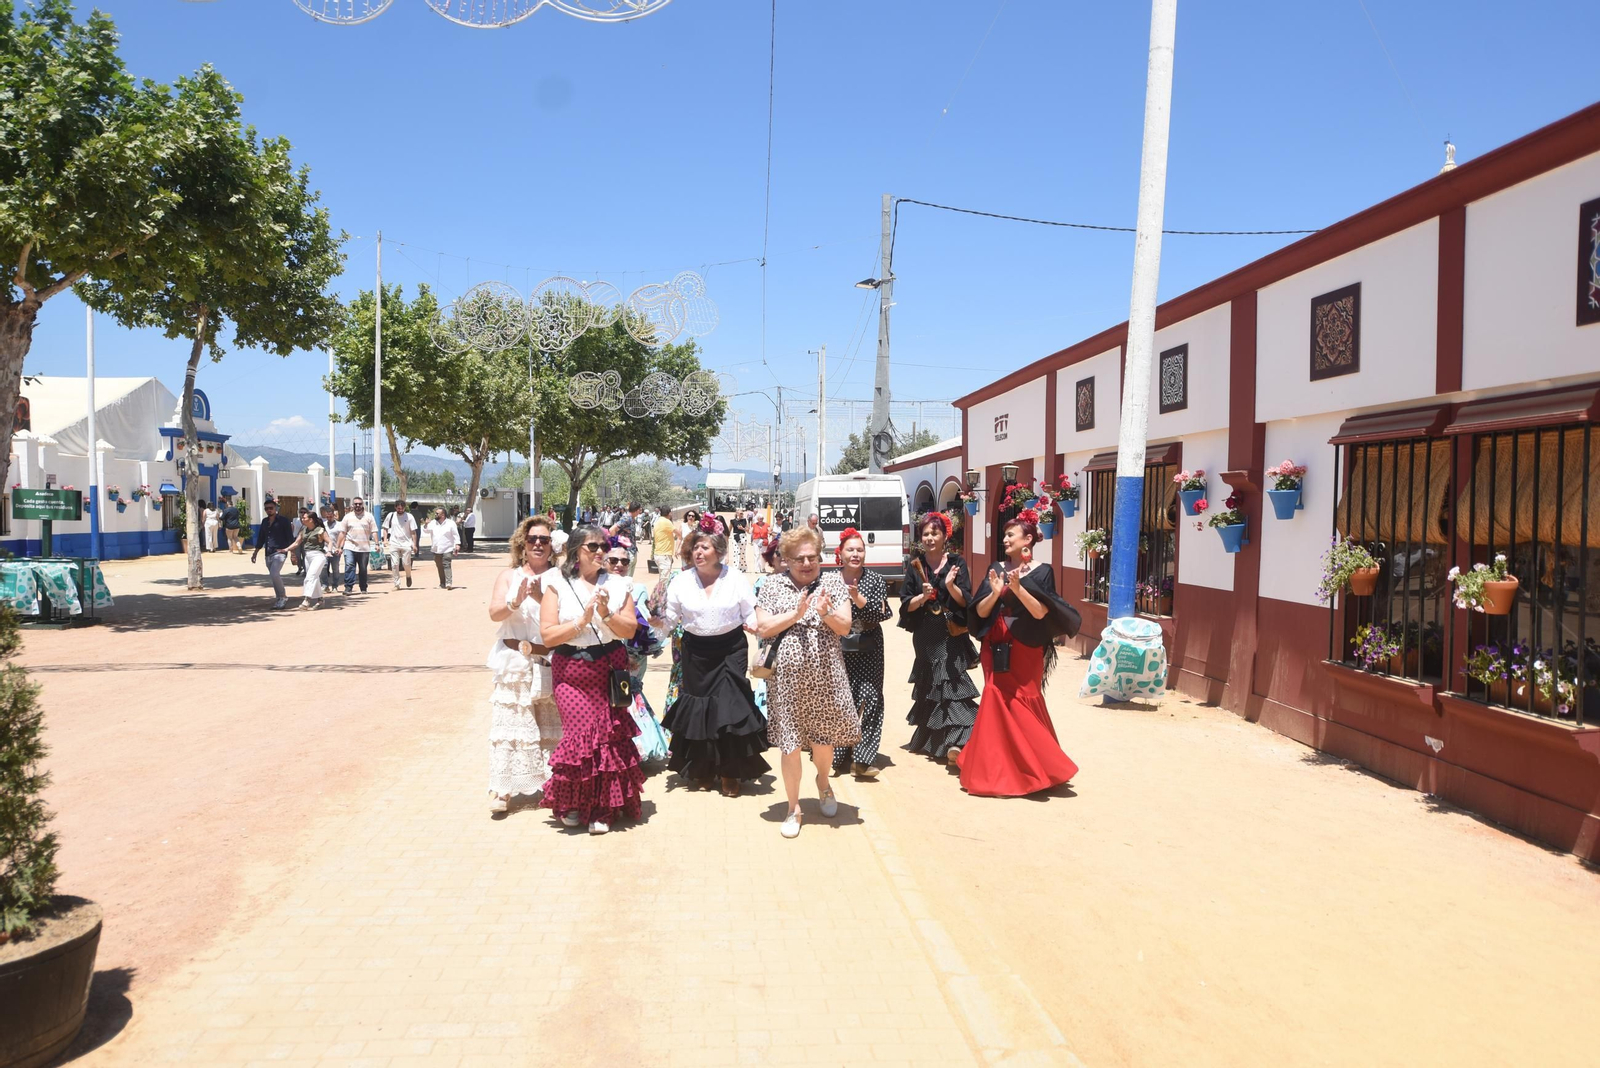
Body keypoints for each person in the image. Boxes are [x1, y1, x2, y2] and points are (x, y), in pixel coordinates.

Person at [961, 513, 1082, 797]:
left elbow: (1041, 612)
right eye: (1004, 535)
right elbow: (979, 612)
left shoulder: (1042, 572)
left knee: (1023, 698)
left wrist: (1017, 589)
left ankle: (1038, 766)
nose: (1004, 540)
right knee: (994, 695)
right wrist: (995, 593)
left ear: (1028, 540)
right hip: (996, 643)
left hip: (1027, 646)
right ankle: (994, 770)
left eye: (1010, 535)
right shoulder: (995, 568)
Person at [538, 524, 645, 835]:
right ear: (576, 552)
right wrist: (580, 622)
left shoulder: (619, 584)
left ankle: (602, 808)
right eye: (593, 547)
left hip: (609, 668)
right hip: (570, 670)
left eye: (603, 546)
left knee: (608, 739)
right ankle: (572, 803)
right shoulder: (557, 584)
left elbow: (628, 631)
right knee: (579, 737)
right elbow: (547, 635)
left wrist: (605, 613)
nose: (601, 552)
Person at [755, 525, 859, 839]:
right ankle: (793, 807)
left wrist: (825, 612)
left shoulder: (832, 583)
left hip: (826, 678)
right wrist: (796, 614)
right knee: (789, 746)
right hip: (786, 683)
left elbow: (844, 627)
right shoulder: (772, 586)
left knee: (823, 743)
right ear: (786, 559)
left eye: (812, 557)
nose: (806, 563)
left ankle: (824, 783)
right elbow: (763, 627)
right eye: (799, 558)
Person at [656, 524, 770, 795]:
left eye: (704, 547)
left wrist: (760, 627)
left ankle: (730, 772)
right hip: (695, 652)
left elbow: (750, 614)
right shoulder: (681, 581)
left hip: (731, 650)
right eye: (695, 547)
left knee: (729, 708)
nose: (698, 551)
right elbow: (670, 619)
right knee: (702, 710)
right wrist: (653, 627)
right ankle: (704, 769)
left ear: (718, 552)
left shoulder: (736, 578)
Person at [485, 516, 563, 816]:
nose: (538, 544)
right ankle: (502, 790)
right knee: (514, 725)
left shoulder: (559, 577)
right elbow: (494, 613)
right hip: (514, 661)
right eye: (533, 539)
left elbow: (564, 616)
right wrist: (515, 602)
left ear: (552, 545)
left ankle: (554, 786)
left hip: (549, 659)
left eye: (544, 539)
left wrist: (540, 596)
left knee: (549, 725)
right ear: (523, 544)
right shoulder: (508, 576)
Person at [900, 512, 980, 765]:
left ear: (945, 536)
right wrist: (921, 598)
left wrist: (950, 585)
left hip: (950, 631)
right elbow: (905, 605)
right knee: (931, 686)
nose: (930, 538)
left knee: (952, 685)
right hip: (925, 634)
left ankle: (958, 740)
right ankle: (936, 742)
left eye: (935, 533)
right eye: (925, 534)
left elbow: (965, 600)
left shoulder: (956, 563)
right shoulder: (915, 566)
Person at [830, 529, 893, 779]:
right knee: (841, 700)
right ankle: (837, 754)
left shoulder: (875, 580)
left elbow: (883, 614)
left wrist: (858, 600)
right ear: (840, 553)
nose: (856, 554)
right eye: (850, 550)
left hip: (869, 646)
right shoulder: (830, 580)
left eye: (860, 549)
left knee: (871, 698)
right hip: (838, 647)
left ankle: (863, 759)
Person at [605, 540, 670, 764]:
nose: (619, 565)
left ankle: (636, 749)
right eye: (613, 560)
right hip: (601, 651)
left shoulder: (637, 587)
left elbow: (644, 618)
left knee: (627, 695)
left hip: (630, 652)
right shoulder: (593, 586)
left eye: (625, 561)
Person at [250, 498, 296, 609]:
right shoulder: (264, 522)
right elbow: (261, 538)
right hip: (268, 553)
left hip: (280, 552)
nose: (269, 510)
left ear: (276, 508)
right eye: (266, 509)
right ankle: (279, 598)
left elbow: (290, 538)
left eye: (271, 508)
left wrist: (292, 553)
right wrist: (255, 553)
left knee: (274, 574)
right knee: (273, 576)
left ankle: (283, 596)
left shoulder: (284, 521)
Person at [288, 509, 330, 610]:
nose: (302, 518)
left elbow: (329, 541)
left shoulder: (320, 530)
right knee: (314, 578)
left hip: (318, 555)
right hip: (308, 556)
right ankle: (320, 600)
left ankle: (307, 600)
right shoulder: (304, 530)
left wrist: (329, 551)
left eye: (304, 517)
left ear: (311, 519)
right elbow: (297, 543)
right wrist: (286, 549)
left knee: (310, 577)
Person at [336, 496, 378, 594]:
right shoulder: (347, 517)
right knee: (349, 566)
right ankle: (348, 587)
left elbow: (374, 531)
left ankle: (363, 588)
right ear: (353, 505)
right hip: (349, 546)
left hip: (364, 548)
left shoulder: (369, 516)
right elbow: (342, 532)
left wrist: (377, 544)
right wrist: (338, 546)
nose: (358, 506)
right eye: (356, 504)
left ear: (362, 504)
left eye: (359, 504)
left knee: (363, 569)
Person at [383, 501, 419, 590]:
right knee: (394, 564)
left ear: (405, 508)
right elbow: (385, 528)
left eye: (402, 508)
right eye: (398, 508)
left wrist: (414, 544)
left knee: (406, 563)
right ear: (395, 508)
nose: (400, 510)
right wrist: (385, 540)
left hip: (406, 543)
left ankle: (408, 575)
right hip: (394, 543)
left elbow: (413, 532)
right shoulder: (391, 516)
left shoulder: (409, 517)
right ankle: (397, 584)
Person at [424, 507, 461, 589]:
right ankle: (442, 583)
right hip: (436, 549)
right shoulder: (433, 523)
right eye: (436, 513)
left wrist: (457, 544)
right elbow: (426, 531)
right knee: (439, 566)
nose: (435, 514)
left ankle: (449, 583)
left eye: (437, 513)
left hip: (447, 548)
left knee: (446, 564)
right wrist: (426, 524)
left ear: (443, 515)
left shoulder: (451, 523)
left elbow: (455, 534)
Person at [650, 502, 677, 576]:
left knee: (663, 578)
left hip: (659, 553)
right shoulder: (667, 522)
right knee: (664, 580)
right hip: (664, 555)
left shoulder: (658, 521)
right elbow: (678, 533)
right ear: (669, 513)